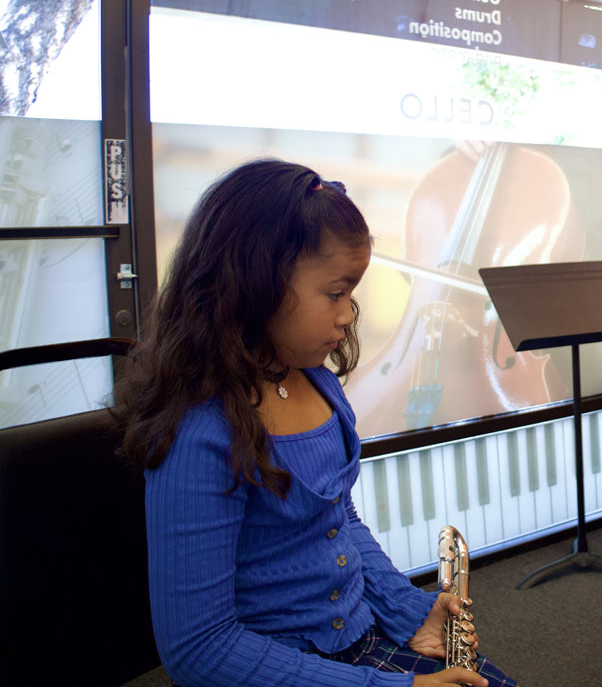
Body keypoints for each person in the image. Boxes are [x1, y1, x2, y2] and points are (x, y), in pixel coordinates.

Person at [111, 159, 517, 687]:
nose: (348, 314)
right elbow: (201, 650)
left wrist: (409, 612)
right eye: (336, 293)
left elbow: (339, 523)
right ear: (257, 283)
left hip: (362, 637)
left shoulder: (315, 381)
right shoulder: (198, 433)